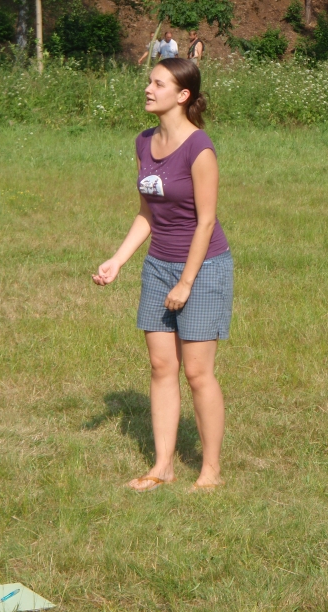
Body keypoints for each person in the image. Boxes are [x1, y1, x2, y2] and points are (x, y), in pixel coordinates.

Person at [93, 59, 233, 493]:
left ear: (182, 95)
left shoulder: (199, 149)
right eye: (149, 81)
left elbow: (205, 222)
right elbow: (147, 213)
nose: (148, 89)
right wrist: (118, 260)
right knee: (160, 365)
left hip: (203, 268)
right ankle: (163, 466)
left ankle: (210, 471)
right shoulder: (143, 142)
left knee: (197, 373)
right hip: (158, 265)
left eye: (158, 83)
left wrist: (186, 282)